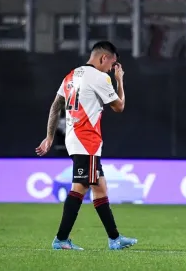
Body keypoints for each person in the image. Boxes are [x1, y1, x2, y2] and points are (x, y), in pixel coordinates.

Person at [35, 41, 137, 250]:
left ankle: (114, 238)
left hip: (76, 138)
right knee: (80, 188)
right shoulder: (100, 77)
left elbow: (56, 107)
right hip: (86, 140)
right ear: (103, 58)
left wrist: (50, 136)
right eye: (112, 64)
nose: (111, 68)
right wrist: (119, 80)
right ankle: (62, 239)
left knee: (99, 187)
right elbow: (119, 106)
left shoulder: (71, 75)